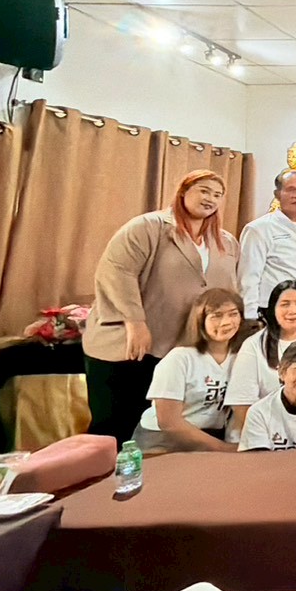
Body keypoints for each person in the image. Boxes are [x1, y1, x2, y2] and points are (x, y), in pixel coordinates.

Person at [84, 169, 240, 442]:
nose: (210, 199)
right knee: (116, 429)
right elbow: (116, 272)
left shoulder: (225, 242)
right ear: (184, 191)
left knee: (161, 432)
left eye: (217, 195)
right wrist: (135, 322)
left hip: (180, 349)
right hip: (130, 347)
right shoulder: (148, 227)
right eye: (204, 191)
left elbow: (229, 292)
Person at [133, 287, 245, 453]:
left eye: (233, 314)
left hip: (211, 435)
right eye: (217, 315)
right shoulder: (179, 358)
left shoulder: (242, 357)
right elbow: (168, 422)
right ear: (200, 320)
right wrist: (223, 448)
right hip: (162, 440)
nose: (226, 322)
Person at [224, 280, 296, 434]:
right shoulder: (253, 345)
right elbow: (241, 404)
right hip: (263, 434)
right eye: (285, 304)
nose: (292, 311)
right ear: (273, 308)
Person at [237, 170, 296, 320]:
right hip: (273, 310)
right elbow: (248, 278)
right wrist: (249, 318)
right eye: (291, 190)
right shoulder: (259, 228)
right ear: (277, 194)